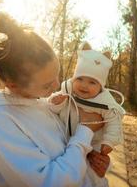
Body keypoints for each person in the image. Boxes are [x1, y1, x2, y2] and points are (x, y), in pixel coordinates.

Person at [0, 12, 110, 187]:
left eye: (58, 75)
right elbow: (50, 181)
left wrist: (92, 165)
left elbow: (67, 151)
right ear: (13, 85)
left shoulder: (39, 102)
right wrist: (85, 131)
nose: (57, 85)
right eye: (47, 85)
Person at [47, 42, 125, 187]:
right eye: (80, 79)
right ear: (73, 78)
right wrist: (55, 102)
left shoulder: (104, 102)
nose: (84, 85)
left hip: (93, 143)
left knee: (94, 170)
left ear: (101, 86)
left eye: (92, 82)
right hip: (66, 137)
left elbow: (114, 122)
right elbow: (52, 109)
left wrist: (109, 141)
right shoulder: (67, 92)